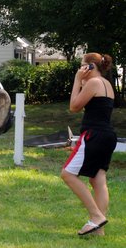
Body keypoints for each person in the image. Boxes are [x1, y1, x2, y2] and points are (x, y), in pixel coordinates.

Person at [61, 53, 117, 236]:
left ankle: (96, 217)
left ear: (91, 66)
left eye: (82, 65)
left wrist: (77, 80)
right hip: (107, 135)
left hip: (94, 135)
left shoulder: (93, 83)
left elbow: (74, 106)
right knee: (98, 179)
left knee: (68, 174)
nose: (80, 69)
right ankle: (98, 230)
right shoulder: (106, 84)